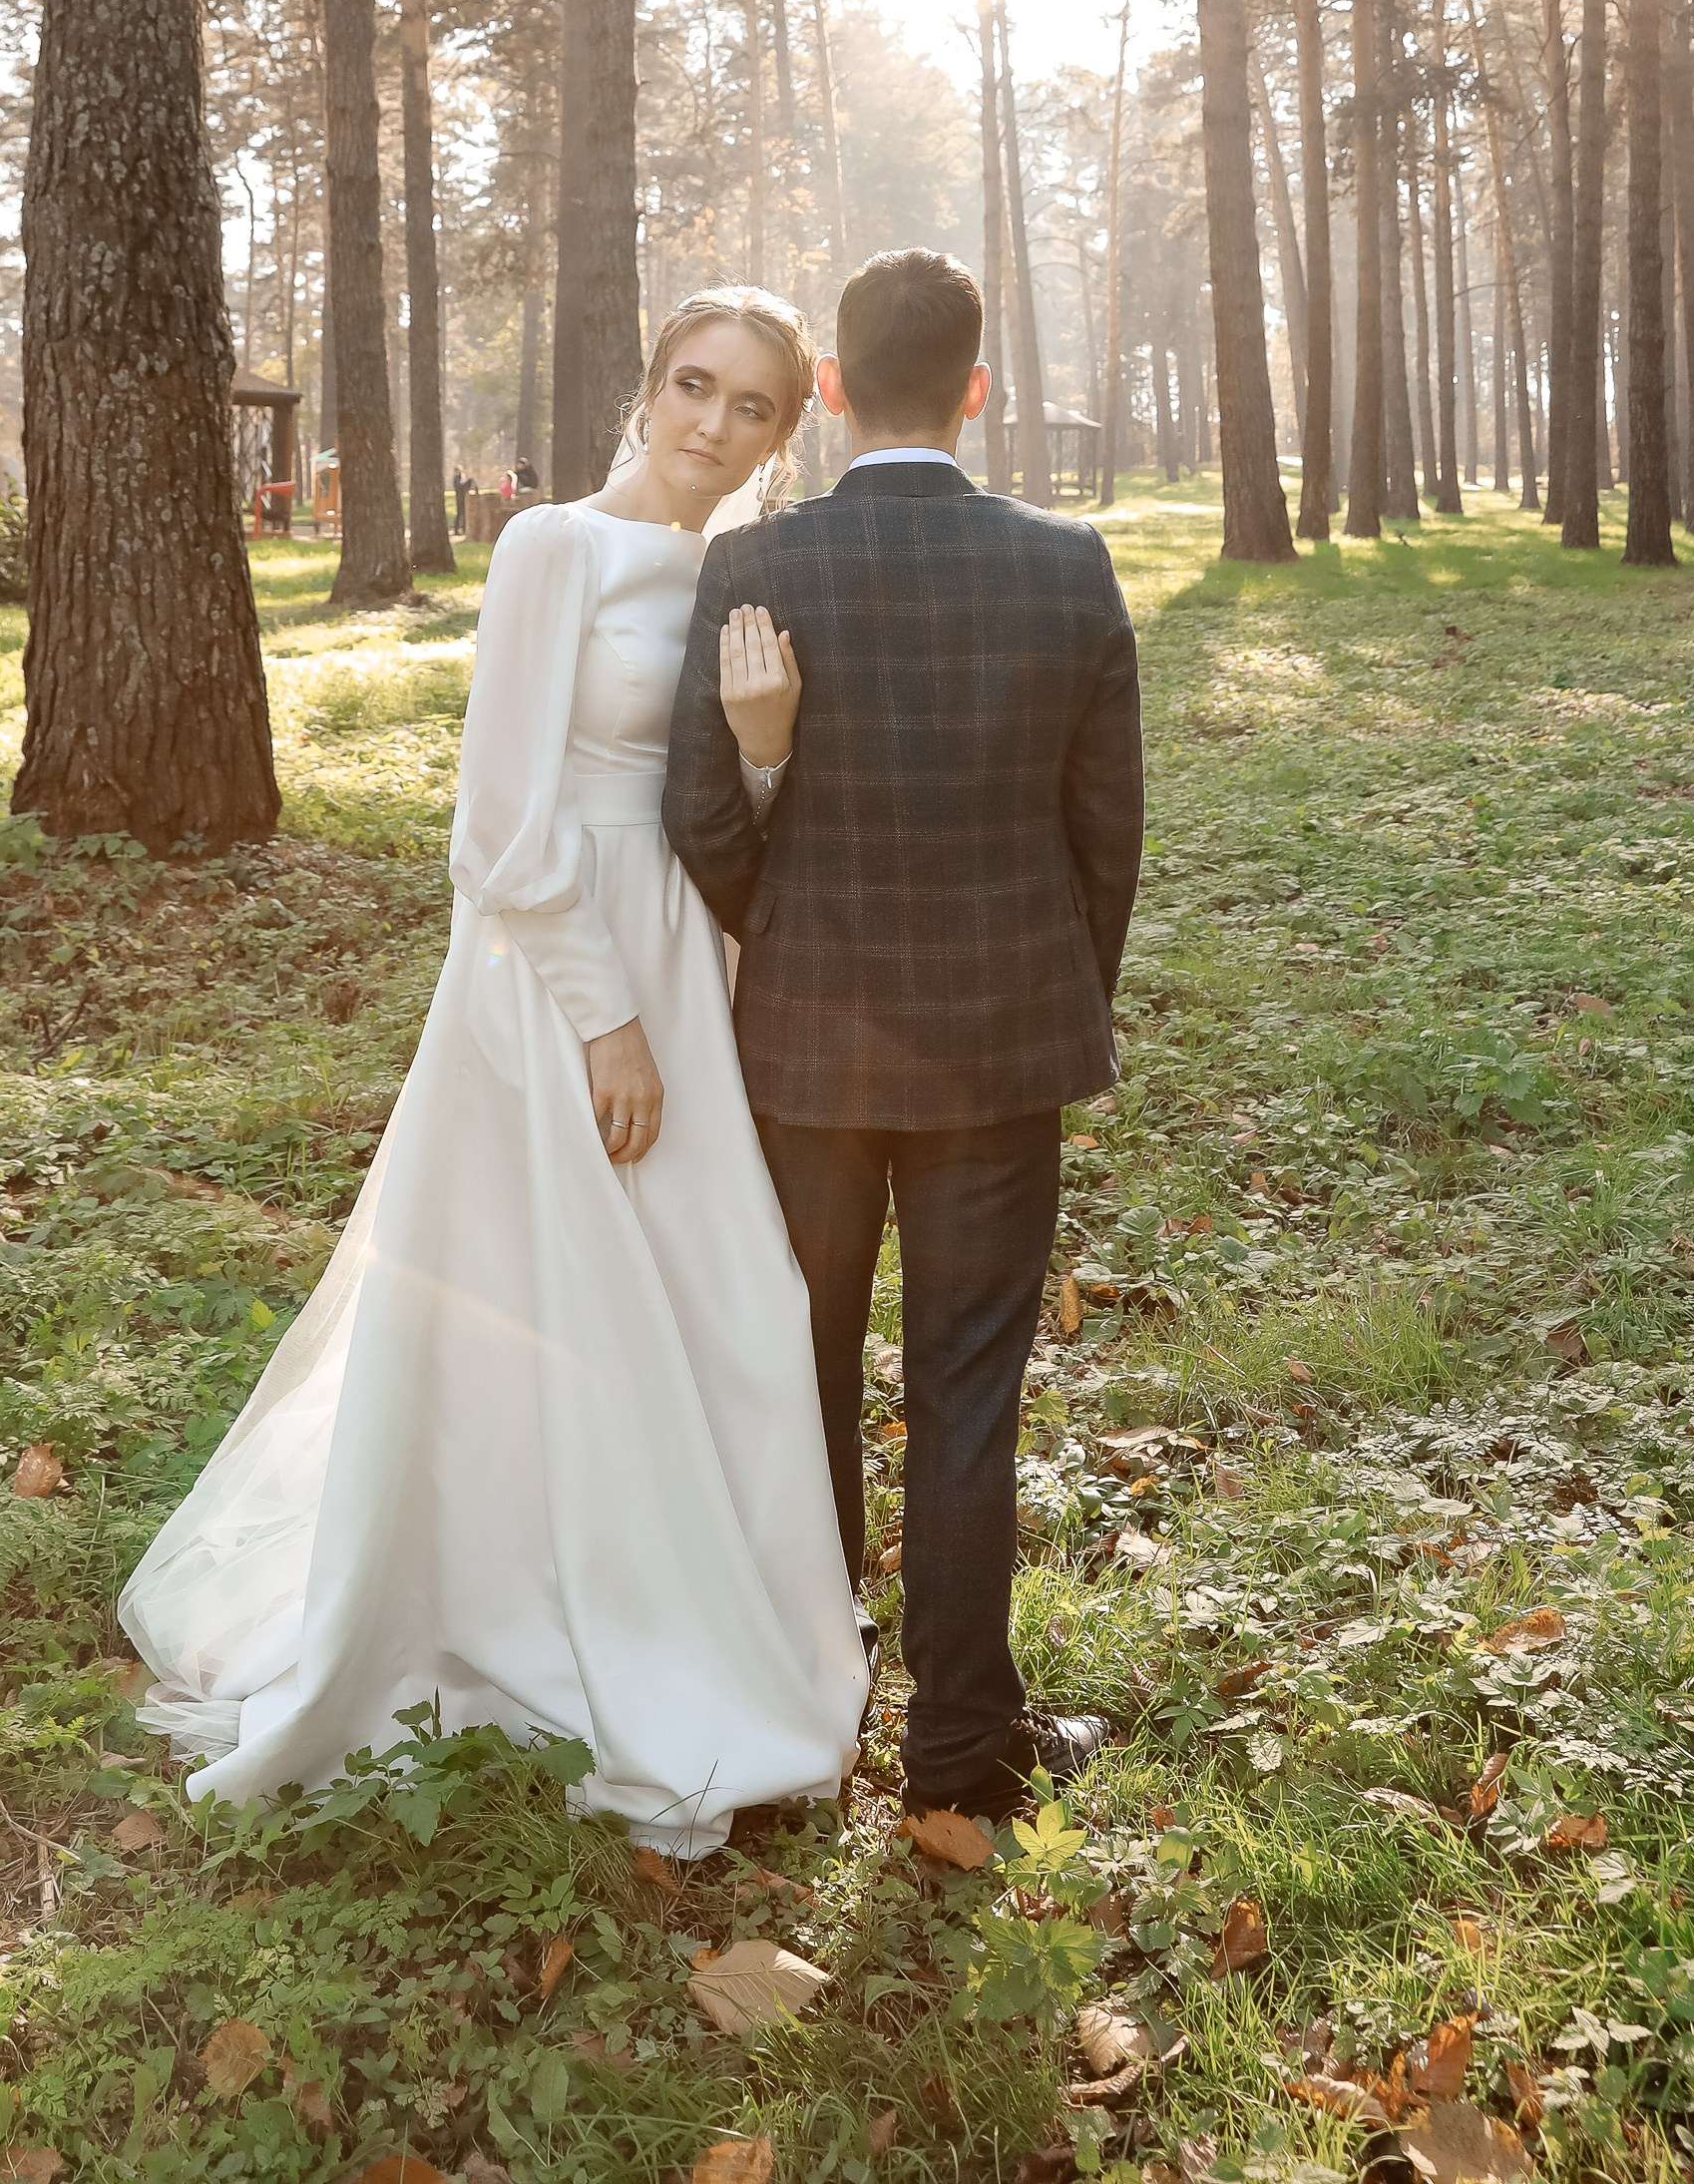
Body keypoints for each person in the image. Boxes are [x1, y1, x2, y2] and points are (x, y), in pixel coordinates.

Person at [122, 288, 866, 1857]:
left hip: (692, 956)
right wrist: (606, 1021)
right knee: (557, 1292)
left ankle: (699, 1612)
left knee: (722, 1298)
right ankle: (519, 1610)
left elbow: (747, 823)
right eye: (693, 387)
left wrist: (774, 744)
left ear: (786, 434)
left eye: (752, 409)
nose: (712, 429)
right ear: (645, 383)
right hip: (556, 974)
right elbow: (498, 831)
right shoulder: (555, 550)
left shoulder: (740, 573)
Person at [663, 248, 1145, 1825]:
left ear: (838, 396)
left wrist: (782, 931)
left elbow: (696, 813)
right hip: (1000, 1051)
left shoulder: (754, 566)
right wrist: (1056, 1000)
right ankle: (961, 1752)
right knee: (965, 1388)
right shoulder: (1069, 566)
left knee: (794, 1372)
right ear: (978, 391)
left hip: (802, 1054)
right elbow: (1107, 836)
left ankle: (800, 1723)